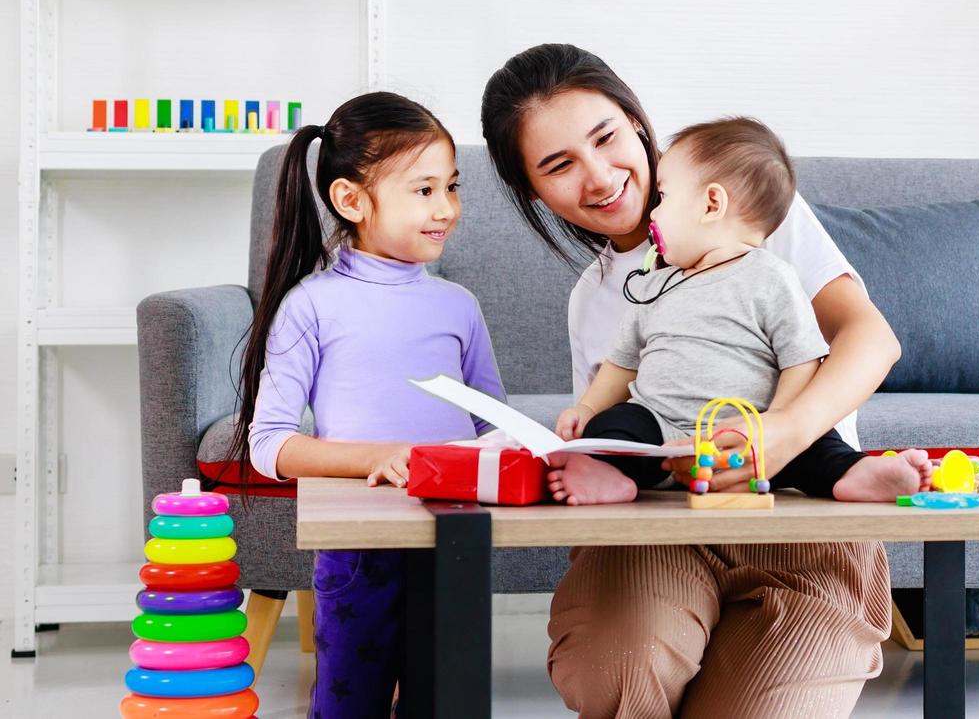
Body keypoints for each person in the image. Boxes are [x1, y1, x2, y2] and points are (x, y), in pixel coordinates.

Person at [482, 44, 901, 718]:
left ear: (639, 125)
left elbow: (872, 338)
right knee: (613, 672)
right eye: (559, 165)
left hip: (799, 517)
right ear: (534, 189)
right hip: (662, 527)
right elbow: (613, 421)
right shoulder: (594, 299)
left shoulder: (747, 212)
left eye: (606, 138)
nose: (599, 177)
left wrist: (784, 434)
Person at [233, 91, 507, 718]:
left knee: (448, 702)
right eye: (424, 190)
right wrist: (381, 456)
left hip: (454, 541)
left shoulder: (457, 305)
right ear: (351, 200)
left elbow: (495, 423)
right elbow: (271, 446)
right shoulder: (312, 305)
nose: (448, 209)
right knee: (347, 704)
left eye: (452, 187)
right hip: (359, 548)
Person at [549, 115, 931, 505]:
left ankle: (855, 472)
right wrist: (589, 406)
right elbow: (622, 362)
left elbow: (801, 361)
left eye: (663, 198)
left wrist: (776, 426)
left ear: (712, 203)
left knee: (819, 445)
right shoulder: (653, 284)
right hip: (663, 426)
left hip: (749, 432)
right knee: (615, 425)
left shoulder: (772, 276)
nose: (653, 215)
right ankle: (609, 474)